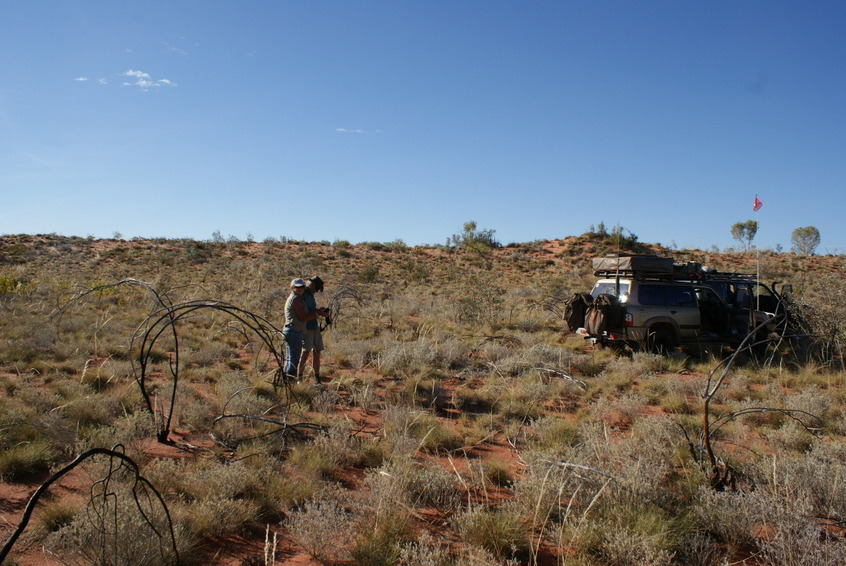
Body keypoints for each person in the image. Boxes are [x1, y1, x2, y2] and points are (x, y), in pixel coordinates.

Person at [283, 278, 326, 380]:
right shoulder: (298, 297)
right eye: (297, 287)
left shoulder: (304, 296)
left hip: (305, 328)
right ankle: (295, 380)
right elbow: (303, 316)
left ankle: (313, 378)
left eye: (302, 287)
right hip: (299, 330)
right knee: (297, 356)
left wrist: (319, 312)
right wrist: (318, 312)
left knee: (294, 357)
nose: (300, 289)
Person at [299, 276, 328, 383]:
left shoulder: (310, 295)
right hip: (306, 328)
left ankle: (316, 377)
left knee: (317, 351)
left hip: (314, 327)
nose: (316, 292)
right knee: (305, 352)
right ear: (312, 285)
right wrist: (319, 312)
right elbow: (304, 313)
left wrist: (321, 312)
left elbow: (311, 311)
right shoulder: (302, 295)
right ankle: (299, 378)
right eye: (316, 289)